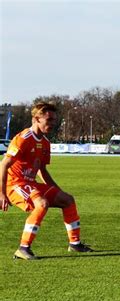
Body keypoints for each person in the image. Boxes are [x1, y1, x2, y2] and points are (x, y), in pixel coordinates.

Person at [0, 102, 93, 260]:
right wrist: (1, 193)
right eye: (49, 120)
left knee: (68, 200)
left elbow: (42, 170)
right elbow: (4, 164)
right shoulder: (23, 139)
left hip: (30, 183)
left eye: (54, 120)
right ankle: (23, 248)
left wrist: (57, 190)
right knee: (42, 204)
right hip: (15, 184)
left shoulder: (45, 143)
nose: (52, 123)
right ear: (36, 119)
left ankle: (75, 244)